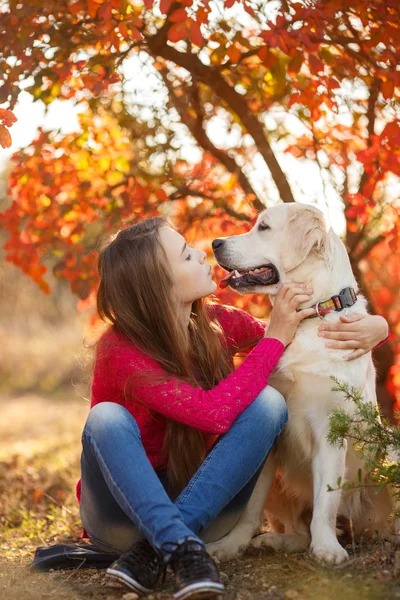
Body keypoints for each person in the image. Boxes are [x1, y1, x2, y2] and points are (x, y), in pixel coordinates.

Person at [77, 217, 388, 600]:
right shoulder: (119, 350)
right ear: (157, 283)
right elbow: (214, 413)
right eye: (186, 255)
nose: (202, 253)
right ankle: (177, 546)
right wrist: (275, 336)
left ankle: (165, 547)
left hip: (199, 512)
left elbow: (301, 332)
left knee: (269, 404)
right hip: (118, 521)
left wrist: (377, 324)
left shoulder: (218, 325)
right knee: (106, 419)